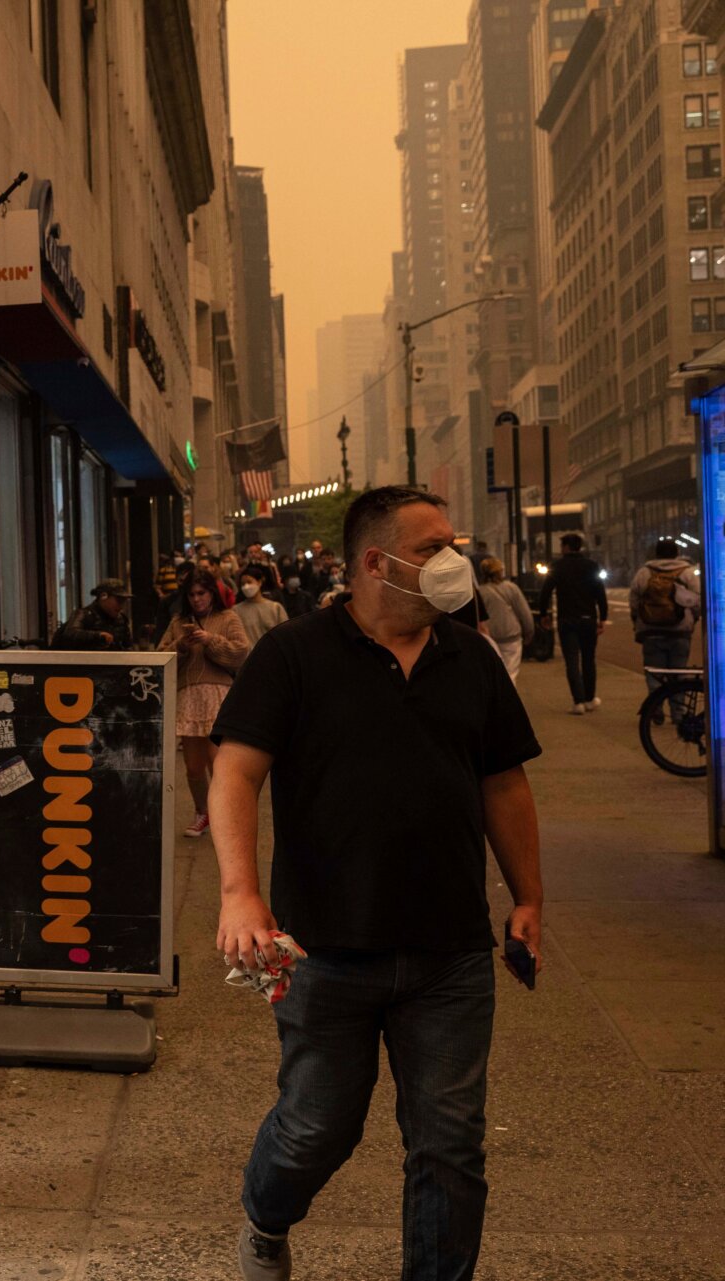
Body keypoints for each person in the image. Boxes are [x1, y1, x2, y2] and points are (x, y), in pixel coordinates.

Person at [208, 486, 542, 1281]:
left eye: (451, 544)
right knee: (316, 1126)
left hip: (450, 951)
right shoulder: (294, 654)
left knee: (450, 1143)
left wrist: (527, 897)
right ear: (373, 562)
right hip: (324, 946)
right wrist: (238, 890)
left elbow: (505, 785)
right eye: (432, 547)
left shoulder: (473, 660)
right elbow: (234, 771)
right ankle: (266, 1219)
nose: (451, 561)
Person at [161, 570, 250, 839]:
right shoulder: (179, 622)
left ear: (212, 593)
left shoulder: (227, 618)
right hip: (188, 697)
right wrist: (182, 644)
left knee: (218, 762)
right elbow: (159, 657)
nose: (197, 599)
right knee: (193, 766)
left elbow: (240, 652)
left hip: (218, 695)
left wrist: (210, 639)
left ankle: (225, 814)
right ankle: (203, 812)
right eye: (192, 594)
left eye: (202, 593)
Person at [536, 532, 608, 714]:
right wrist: (603, 618)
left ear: (566, 547)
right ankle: (590, 698)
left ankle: (578, 702)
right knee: (589, 660)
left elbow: (545, 592)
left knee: (572, 661)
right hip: (588, 618)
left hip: (567, 619)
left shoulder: (558, 566)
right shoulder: (591, 566)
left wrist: (544, 614)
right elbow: (600, 594)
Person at [629, 538, 702, 697]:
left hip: (651, 630)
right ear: (677, 553)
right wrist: (693, 619)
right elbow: (697, 600)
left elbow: (634, 600)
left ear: (656, 553)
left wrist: (636, 619)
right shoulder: (687, 572)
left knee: (654, 673)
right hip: (680, 631)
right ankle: (678, 715)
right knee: (678, 675)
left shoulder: (645, 572)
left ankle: (655, 707)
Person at [474, 557, 535, 683]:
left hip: (489, 638)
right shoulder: (511, 588)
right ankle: (508, 699)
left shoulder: (479, 591)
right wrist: (529, 632)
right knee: (511, 673)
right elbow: (524, 612)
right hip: (511, 636)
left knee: (493, 674)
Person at [52, 580, 135, 650]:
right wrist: (98, 636)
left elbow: (127, 646)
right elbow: (70, 633)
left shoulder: (121, 620)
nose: (121, 606)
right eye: (119, 600)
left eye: (123, 601)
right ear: (103, 596)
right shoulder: (84, 614)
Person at [233, 564, 290, 649]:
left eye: (249, 582)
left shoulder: (275, 608)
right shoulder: (236, 610)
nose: (246, 587)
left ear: (259, 582)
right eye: (243, 584)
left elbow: (286, 635)